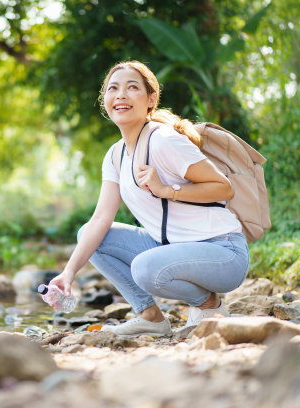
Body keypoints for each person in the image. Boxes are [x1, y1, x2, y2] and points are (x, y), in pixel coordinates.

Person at [49, 61, 250, 337]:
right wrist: (68, 273)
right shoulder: (115, 155)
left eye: (132, 88)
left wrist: (168, 191)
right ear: (105, 100)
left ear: (151, 99)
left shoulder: (163, 140)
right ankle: (150, 317)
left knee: (145, 268)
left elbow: (223, 188)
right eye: (113, 89)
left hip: (223, 252)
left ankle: (208, 304)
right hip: (170, 246)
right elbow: (100, 218)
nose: (121, 95)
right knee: (90, 234)